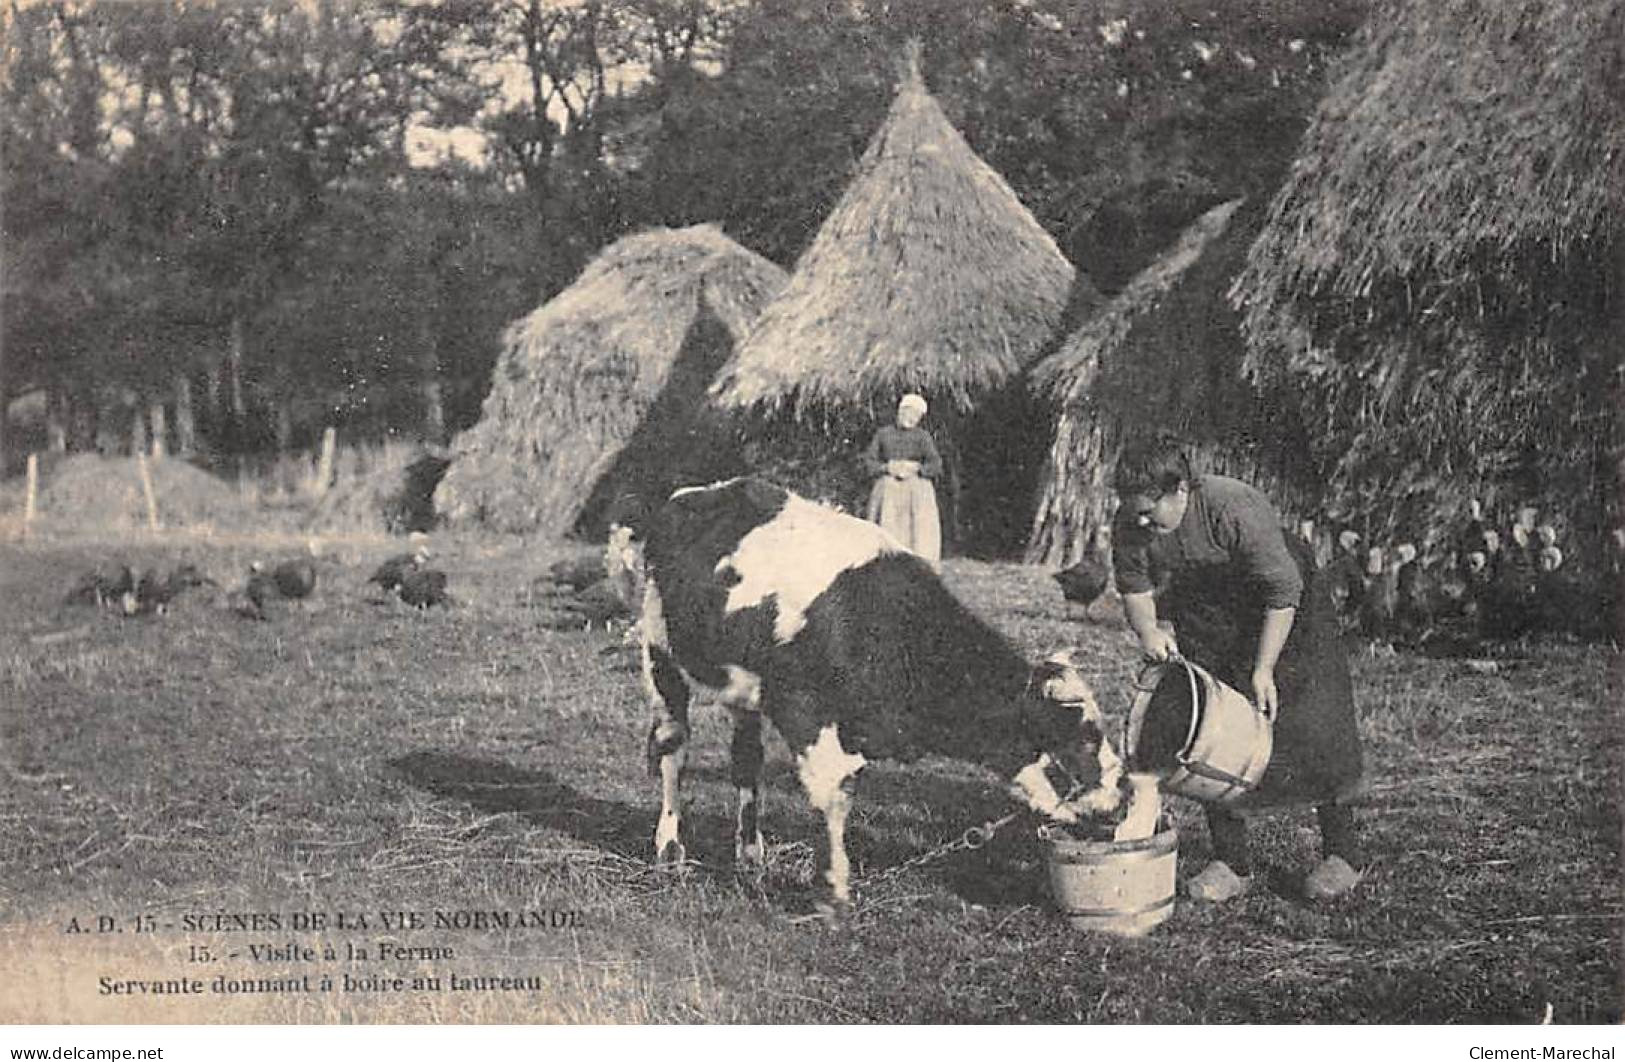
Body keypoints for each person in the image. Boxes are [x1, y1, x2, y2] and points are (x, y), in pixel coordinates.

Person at [1111, 437, 1366, 903]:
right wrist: (1148, 631)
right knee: (1208, 722)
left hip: (1284, 603)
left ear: (1181, 490)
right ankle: (1231, 860)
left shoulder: (1232, 507)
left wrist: (1264, 669)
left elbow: (1281, 589)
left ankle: (1342, 854)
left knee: (1313, 716)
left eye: (1151, 511)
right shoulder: (1132, 522)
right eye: (1134, 514)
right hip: (1207, 608)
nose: (1142, 522)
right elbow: (1134, 587)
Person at [863, 393, 944, 569]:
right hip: (888, 492)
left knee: (918, 534)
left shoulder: (922, 437)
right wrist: (888, 467)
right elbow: (869, 462)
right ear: (900, 412)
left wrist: (916, 468)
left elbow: (936, 464)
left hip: (916, 491)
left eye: (916, 416)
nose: (911, 418)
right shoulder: (883, 434)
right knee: (888, 530)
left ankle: (919, 568)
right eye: (908, 413)